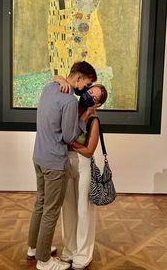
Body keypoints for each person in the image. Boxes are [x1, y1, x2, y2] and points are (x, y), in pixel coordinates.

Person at [27, 61, 97, 270]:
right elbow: (68, 135)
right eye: (87, 83)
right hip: (54, 162)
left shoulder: (49, 87)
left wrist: (57, 78)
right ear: (79, 78)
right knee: (51, 210)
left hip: (38, 156)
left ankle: (34, 248)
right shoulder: (69, 101)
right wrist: (84, 119)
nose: (86, 88)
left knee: (40, 203)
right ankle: (44, 261)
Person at [60, 84, 108, 270]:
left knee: (83, 210)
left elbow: (89, 151)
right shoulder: (71, 111)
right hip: (65, 165)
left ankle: (83, 253)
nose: (90, 96)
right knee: (68, 208)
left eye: (95, 97)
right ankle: (69, 249)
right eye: (90, 92)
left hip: (83, 167)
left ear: (98, 104)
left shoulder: (93, 121)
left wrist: (70, 143)